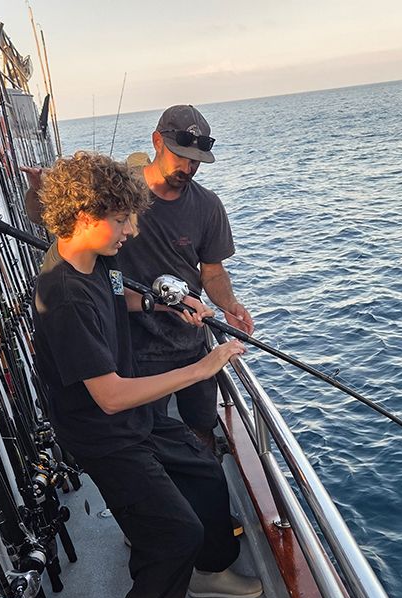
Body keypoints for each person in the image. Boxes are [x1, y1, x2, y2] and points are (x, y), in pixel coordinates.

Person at [31, 151, 262, 598]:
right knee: (173, 534)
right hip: (105, 435)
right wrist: (202, 367)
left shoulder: (100, 261)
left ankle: (211, 570)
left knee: (205, 474)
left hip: (138, 416)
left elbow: (122, 297)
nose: (133, 230)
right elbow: (108, 397)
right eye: (123, 219)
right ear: (85, 216)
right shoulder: (60, 295)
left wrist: (165, 304)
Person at [24, 104, 251, 448]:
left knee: (201, 427)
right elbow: (51, 216)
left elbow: (213, 272)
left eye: (196, 162)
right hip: (133, 347)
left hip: (187, 336)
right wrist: (37, 189)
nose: (189, 168)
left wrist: (230, 304)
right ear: (157, 141)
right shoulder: (116, 192)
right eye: (182, 156)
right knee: (148, 433)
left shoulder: (208, 206)